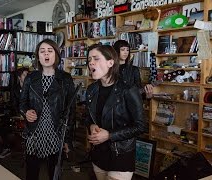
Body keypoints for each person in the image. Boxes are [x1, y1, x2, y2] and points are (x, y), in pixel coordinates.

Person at [85, 44, 147, 180]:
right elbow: (88, 117)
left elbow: (140, 126)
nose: (91, 63)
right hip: (98, 155)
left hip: (121, 156)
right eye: (89, 59)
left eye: (96, 58)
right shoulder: (91, 90)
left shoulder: (128, 90)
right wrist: (91, 125)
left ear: (111, 62)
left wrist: (109, 135)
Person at [19, 39, 75, 180]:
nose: (46, 54)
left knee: (54, 174)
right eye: (42, 51)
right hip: (34, 132)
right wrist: (25, 112)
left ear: (56, 54)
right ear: (38, 56)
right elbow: (22, 103)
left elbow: (71, 112)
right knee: (31, 173)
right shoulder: (31, 78)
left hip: (56, 132)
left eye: (50, 51)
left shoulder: (66, 79)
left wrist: (67, 139)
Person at [0, 67, 29, 159]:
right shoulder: (15, 89)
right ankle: (6, 148)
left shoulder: (32, 88)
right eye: (24, 75)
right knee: (2, 124)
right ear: (19, 77)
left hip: (30, 115)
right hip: (18, 115)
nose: (27, 77)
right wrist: (20, 114)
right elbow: (14, 104)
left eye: (28, 75)